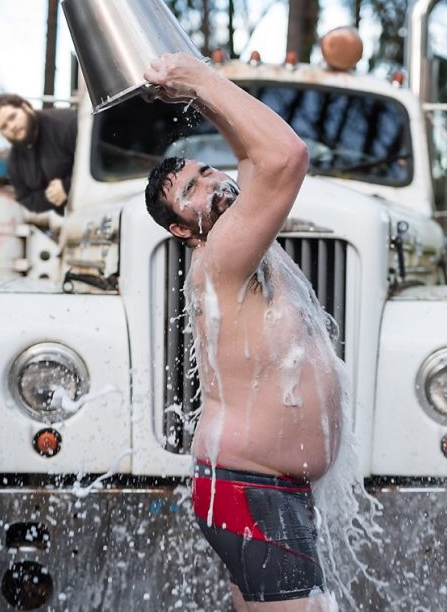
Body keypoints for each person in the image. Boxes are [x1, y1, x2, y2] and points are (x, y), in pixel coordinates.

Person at [145, 53, 343, 611]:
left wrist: (202, 100)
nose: (211, 182)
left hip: (254, 489)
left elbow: (255, 158)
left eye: (206, 171)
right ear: (185, 229)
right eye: (192, 189)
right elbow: (286, 155)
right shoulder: (224, 251)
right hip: (250, 490)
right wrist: (200, 79)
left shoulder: (240, 231)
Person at [0, 94, 77, 214]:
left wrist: (68, 186)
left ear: (26, 107)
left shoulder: (66, 124)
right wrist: (51, 197)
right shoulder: (14, 161)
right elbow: (24, 198)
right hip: (67, 219)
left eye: (12, 117)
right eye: (4, 126)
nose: (11, 127)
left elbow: (98, 163)